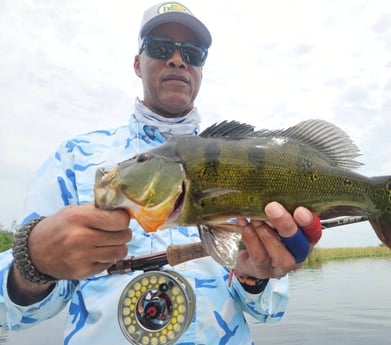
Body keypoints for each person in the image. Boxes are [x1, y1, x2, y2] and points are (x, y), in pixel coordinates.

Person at [0, 2, 322, 344]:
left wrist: (255, 278)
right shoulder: (75, 159)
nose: (177, 59)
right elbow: (10, 314)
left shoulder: (240, 162)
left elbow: (269, 310)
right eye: (161, 48)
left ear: (200, 69)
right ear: (138, 63)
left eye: (193, 53)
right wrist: (32, 262)